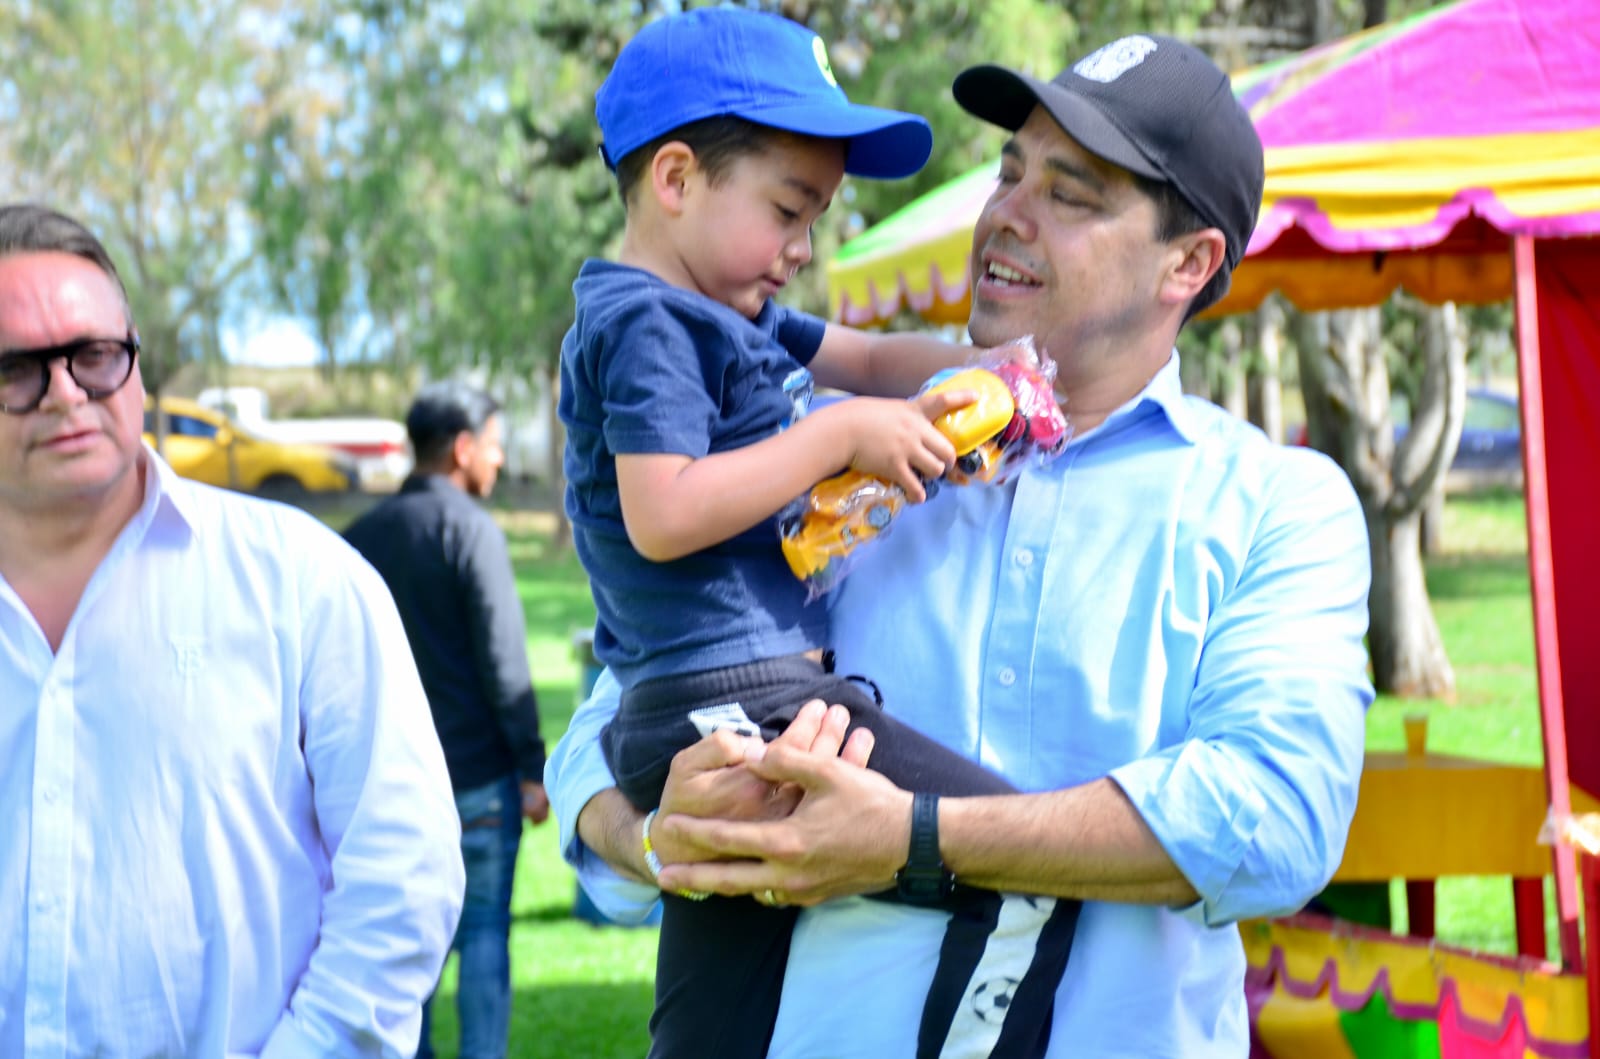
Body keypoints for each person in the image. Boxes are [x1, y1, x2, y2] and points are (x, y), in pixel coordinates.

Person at [548, 33, 1374, 1059]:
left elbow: (1271, 819)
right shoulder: (838, 440)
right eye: (1008, 171)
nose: (1005, 214)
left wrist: (912, 839)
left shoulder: (1273, 503)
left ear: (1189, 263)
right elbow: (622, 699)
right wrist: (657, 838)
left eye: (1070, 194)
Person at [560, 8, 1078, 1058]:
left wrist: (998, 368)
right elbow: (664, 514)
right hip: (742, 698)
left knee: (714, 1024)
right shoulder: (648, 325)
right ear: (675, 179)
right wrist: (838, 432)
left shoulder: (728, 309)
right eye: (790, 211)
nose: (803, 249)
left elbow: (870, 357)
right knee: (1022, 872)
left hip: (710, 711)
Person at [0, 203, 465, 1057]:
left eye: (93, 355)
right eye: (16, 367)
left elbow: (403, 877)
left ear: (135, 366)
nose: (65, 392)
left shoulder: (302, 582)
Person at [344, 381, 551, 1059]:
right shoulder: (472, 530)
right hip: (479, 781)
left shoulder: (358, 539)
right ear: (462, 448)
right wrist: (531, 766)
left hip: (385, 787)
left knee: (407, 944)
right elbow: (503, 661)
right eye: (493, 446)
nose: (496, 461)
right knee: (486, 929)